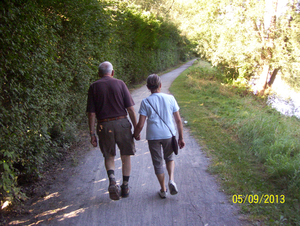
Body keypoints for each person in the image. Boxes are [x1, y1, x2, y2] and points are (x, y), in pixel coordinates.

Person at [86, 61, 137, 201]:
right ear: (112, 72)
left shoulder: (93, 87)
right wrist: (137, 128)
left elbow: (91, 114)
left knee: (109, 156)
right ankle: (125, 186)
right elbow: (131, 109)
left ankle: (112, 180)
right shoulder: (120, 83)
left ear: (98, 74)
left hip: (104, 126)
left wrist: (92, 134)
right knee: (126, 155)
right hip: (122, 124)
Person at [134, 74, 185, 199]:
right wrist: (181, 137)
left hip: (153, 136)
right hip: (169, 134)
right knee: (169, 157)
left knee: (158, 163)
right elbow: (178, 120)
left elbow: (140, 124)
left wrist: (135, 134)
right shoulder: (170, 99)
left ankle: (163, 189)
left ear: (148, 87)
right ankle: (171, 179)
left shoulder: (145, 102)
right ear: (160, 85)